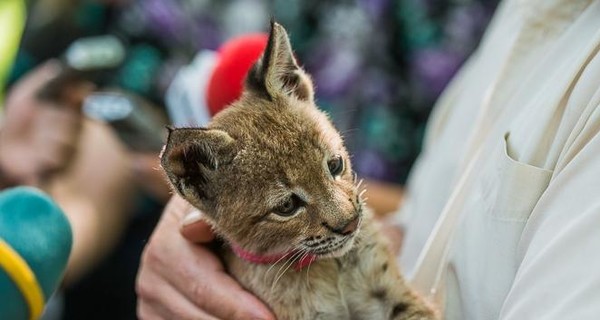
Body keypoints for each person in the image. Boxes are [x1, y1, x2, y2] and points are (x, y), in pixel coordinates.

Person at [137, 0, 600, 319]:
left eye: (336, 167)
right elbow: (432, 220)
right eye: (288, 203)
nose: (346, 216)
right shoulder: (519, 16)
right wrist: (199, 237)